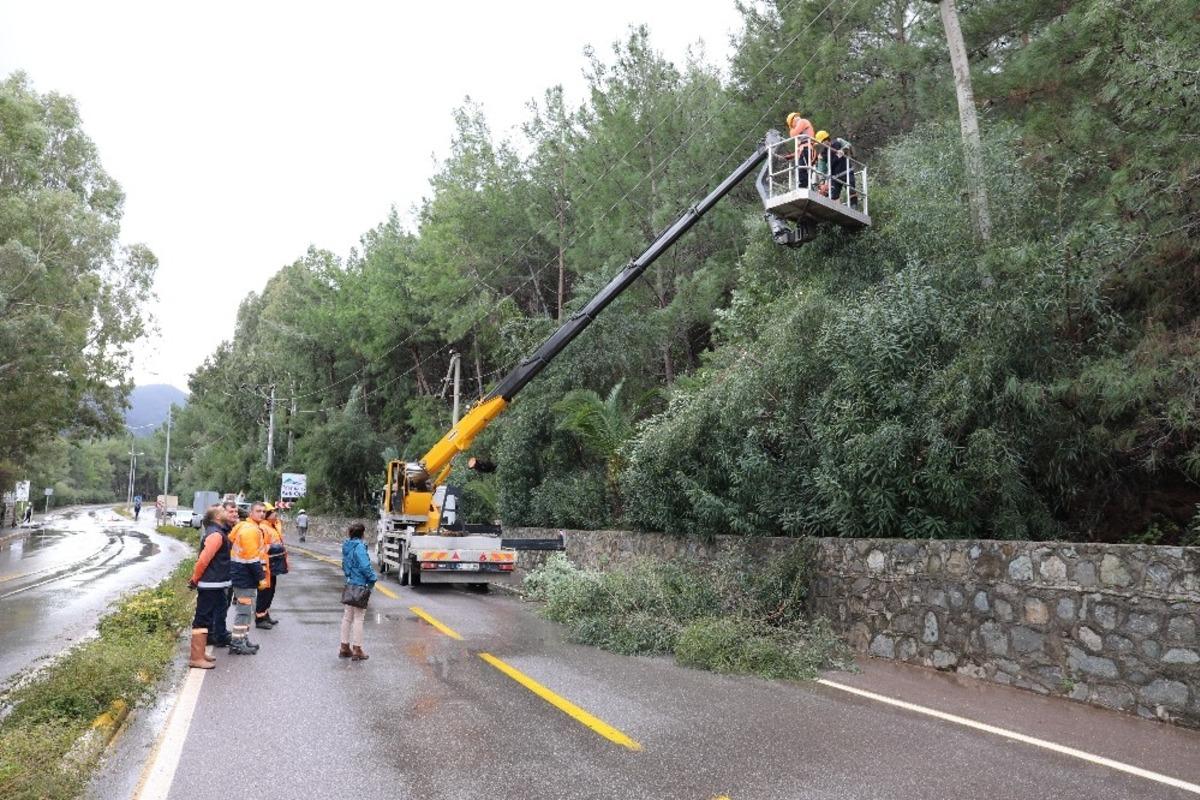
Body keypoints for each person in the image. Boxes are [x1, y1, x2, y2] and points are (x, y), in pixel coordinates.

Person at [186, 506, 231, 669]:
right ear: (217, 516)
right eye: (222, 510)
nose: (226, 511)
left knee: (207, 618)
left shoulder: (218, 531)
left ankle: (200, 652)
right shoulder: (216, 535)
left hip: (216, 583)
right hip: (210, 584)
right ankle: (196, 657)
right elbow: (203, 560)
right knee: (202, 618)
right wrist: (195, 579)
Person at [228, 502, 268, 654]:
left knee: (247, 610)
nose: (262, 514)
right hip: (245, 576)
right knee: (244, 611)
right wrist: (261, 578)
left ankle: (243, 639)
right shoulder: (251, 531)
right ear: (251, 513)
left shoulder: (243, 526)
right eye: (258, 511)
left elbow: (231, 539)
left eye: (263, 511)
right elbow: (252, 559)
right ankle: (237, 643)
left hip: (242, 575)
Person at [339, 522, 377, 661]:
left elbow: (344, 564)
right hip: (360, 585)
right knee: (358, 618)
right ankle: (357, 649)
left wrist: (349, 575)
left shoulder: (347, 546)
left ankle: (344, 647)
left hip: (350, 584)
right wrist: (373, 578)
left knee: (347, 617)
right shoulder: (359, 547)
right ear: (362, 533)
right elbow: (365, 566)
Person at [255, 503, 288, 627]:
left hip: (273, 564)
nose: (276, 514)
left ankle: (265, 614)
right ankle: (260, 618)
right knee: (265, 592)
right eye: (273, 512)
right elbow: (261, 547)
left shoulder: (272, 526)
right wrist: (275, 547)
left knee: (271, 591)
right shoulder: (263, 528)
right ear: (268, 515)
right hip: (266, 565)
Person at [784, 112, 816, 188]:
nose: (792, 126)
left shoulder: (802, 121)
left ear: (792, 120)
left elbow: (793, 134)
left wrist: (791, 129)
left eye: (791, 125)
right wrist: (791, 156)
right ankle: (805, 186)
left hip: (807, 149)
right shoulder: (801, 132)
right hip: (806, 150)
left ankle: (803, 187)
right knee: (804, 170)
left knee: (802, 170)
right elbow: (799, 149)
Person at [826, 134, 857, 206]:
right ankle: (835, 209)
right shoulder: (825, 151)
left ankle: (853, 206)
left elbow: (849, 146)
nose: (823, 144)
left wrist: (843, 151)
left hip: (846, 170)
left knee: (851, 190)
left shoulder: (838, 141)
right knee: (834, 195)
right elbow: (825, 165)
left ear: (827, 140)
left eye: (823, 141)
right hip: (835, 175)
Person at [813, 130, 831, 196]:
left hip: (831, 174)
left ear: (826, 140)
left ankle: (823, 187)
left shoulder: (834, 146)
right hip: (825, 176)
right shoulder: (823, 153)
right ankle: (822, 187)